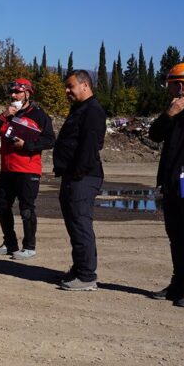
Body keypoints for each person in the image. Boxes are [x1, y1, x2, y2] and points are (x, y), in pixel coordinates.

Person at [0, 78, 56, 260]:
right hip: (7, 169)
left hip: (28, 169)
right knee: (1, 206)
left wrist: (27, 145)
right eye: (12, 92)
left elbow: (50, 140)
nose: (13, 95)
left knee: (26, 208)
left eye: (17, 92)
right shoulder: (7, 114)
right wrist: (4, 116)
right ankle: (10, 243)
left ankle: (29, 246)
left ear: (27, 93)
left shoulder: (39, 115)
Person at [149, 63, 184, 307]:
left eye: (169, 85)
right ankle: (179, 283)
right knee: (176, 234)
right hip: (173, 180)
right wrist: (169, 114)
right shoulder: (176, 110)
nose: (168, 90)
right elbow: (155, 135)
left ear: (180, 85)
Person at [53, 70, 106, 291]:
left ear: (85, 85)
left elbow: (90, 145)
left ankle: (86, 276)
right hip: (73, 176)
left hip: (83, 178)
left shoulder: (93, 110)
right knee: (74, 224)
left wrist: (78, 172)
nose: (67, 91)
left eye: (70, 86)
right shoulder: (80, 108)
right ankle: (80, 268)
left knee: (81, 224)